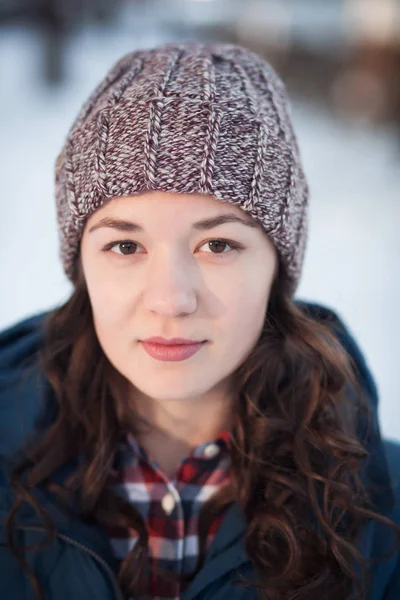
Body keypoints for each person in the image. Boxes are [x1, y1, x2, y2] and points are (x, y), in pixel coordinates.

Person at [0, 42, 399, 600]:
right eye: (123, 245)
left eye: (217, 243)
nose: (170, 299)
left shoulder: (382, 507)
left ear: (276, 268)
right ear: (81, 265)